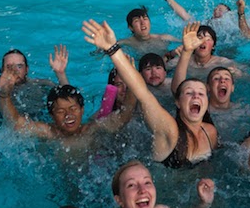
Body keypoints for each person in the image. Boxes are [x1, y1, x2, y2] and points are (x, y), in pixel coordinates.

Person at [83, 20, 220, 168]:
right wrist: (113, 49)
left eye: (201, 93)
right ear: (177, 102)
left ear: (207, 101)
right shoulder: (169, 131)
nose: (196, 96)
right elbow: (142, 93)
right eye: (189, 93)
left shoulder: (210, 131)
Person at [0, 67, 137, 150]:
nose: (68, 115)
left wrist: (131, 79)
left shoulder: (92, 130)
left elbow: (124, 117)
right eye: (60, 111)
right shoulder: (48, 133)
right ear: (52, 115)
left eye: (73, 109)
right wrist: (4, 95)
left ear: (82, 110)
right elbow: (15, 123)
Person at [164, 23, 242, 78]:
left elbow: (246, 74)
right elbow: (162, 68)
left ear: (213, 46)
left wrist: (237, 73)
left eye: (208, 39)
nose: (203, 42)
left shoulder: (222, 62)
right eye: (199, 38)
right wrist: (172, 53)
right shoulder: (183, 60)